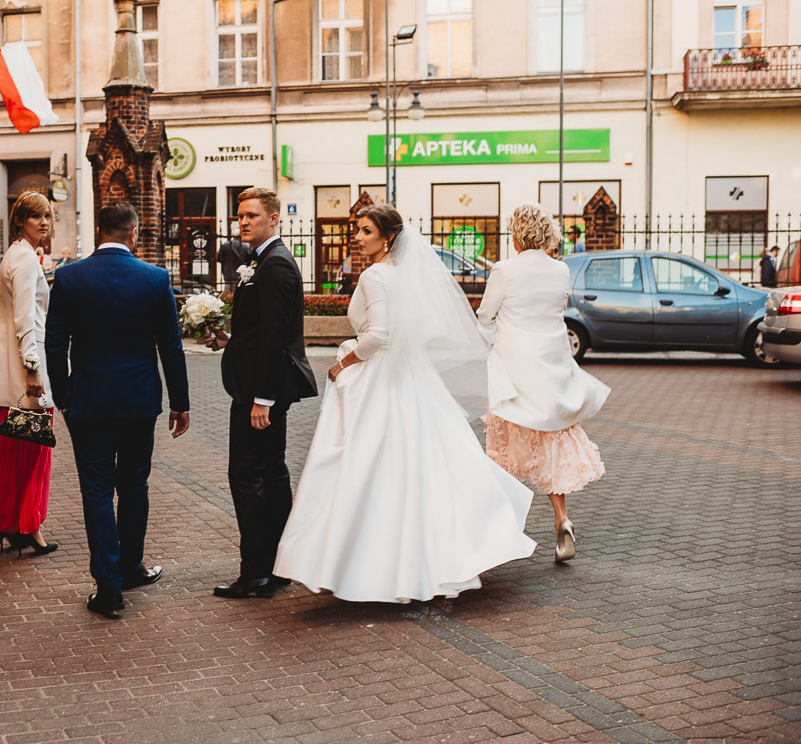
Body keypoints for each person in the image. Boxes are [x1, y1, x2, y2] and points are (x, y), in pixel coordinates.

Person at [273, 205, 537, 603]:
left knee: (370, 467)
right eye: (356, 230)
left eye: (365, 231)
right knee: (418, 463)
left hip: (378, 378)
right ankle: (423, 556)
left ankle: (368, 563)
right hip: (409, 375)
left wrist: (342, 363)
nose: (357, 237)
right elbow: (416, 327)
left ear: (388, 237)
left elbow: (377, 336)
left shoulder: (375, 275)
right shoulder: (402, 275)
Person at [46, 202, 191, 619]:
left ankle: (108, 588)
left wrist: (65, 396)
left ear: (98, 232)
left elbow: (55, 343)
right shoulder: (155, 278)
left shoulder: (69, 278)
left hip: (88, 402)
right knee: (134, 485)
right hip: (139, 401)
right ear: (133, 235)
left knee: (96, 490)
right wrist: (180, 402)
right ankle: (131, 567)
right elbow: (171, 345)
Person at [201, 187, 318, 599]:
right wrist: (229, 338)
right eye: (240, 216)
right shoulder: (260, 261)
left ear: (274, 218)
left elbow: (274, 339)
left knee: (248, 477)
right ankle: (277, 565)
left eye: (251, 215)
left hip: (259, 392)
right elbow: (258, 331)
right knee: (271, 473)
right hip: (256, 386)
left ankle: (255, 574)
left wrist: (262, 400)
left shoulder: (275, 266)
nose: (243, 222)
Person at [478, 204, 610, 563]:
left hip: (513, 368)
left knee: (504, 447)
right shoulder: (560, 269)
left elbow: (486, 315)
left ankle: (501, 525)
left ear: (517, 234)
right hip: (552, 365)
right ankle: (562, 519)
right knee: (551, 442)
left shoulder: (504, 270)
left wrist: (487, 336)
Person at [0, 191, 59, 557]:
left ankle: (11, 522)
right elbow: (26, 320)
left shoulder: (18, 256)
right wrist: (34, 371)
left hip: (12, 372)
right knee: (32, 453)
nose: (43, 222)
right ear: (20, 220)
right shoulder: (23, 260)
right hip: (26, 375)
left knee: (14, 451)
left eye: (47, 216)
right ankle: (29, 526)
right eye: (35, 216)